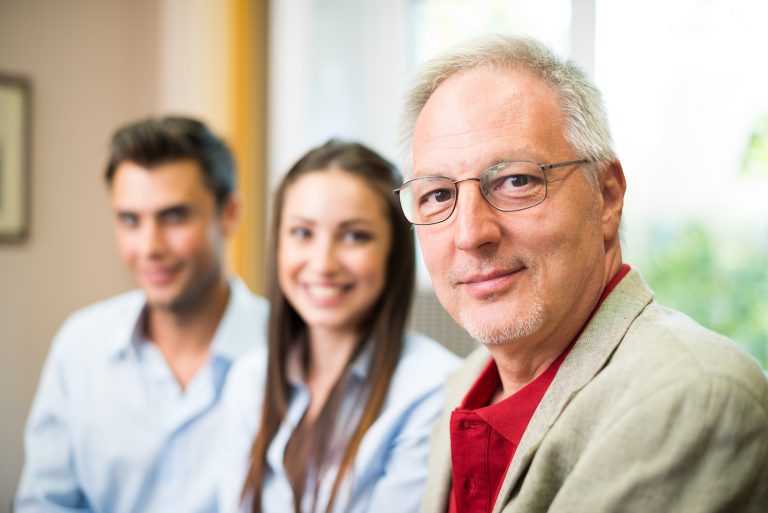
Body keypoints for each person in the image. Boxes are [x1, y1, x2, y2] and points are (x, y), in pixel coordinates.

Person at [393, 35, 768, 513]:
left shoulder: (693, 393)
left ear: (606, 196)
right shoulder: (462, 387)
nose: (470, 233)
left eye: (516, 180)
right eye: (439, 195)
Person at [15, 116, 269, 513]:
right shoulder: (80, 346)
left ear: (230, 213)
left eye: (174, 217)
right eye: (130, 220)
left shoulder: (287, 350)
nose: (149, 247)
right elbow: (44, 504)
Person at [216, 140, 460, 513]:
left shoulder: (433, 391)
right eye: (302, 233)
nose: (323, 263)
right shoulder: (250, 380)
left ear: (393, 251)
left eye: (354, 236)